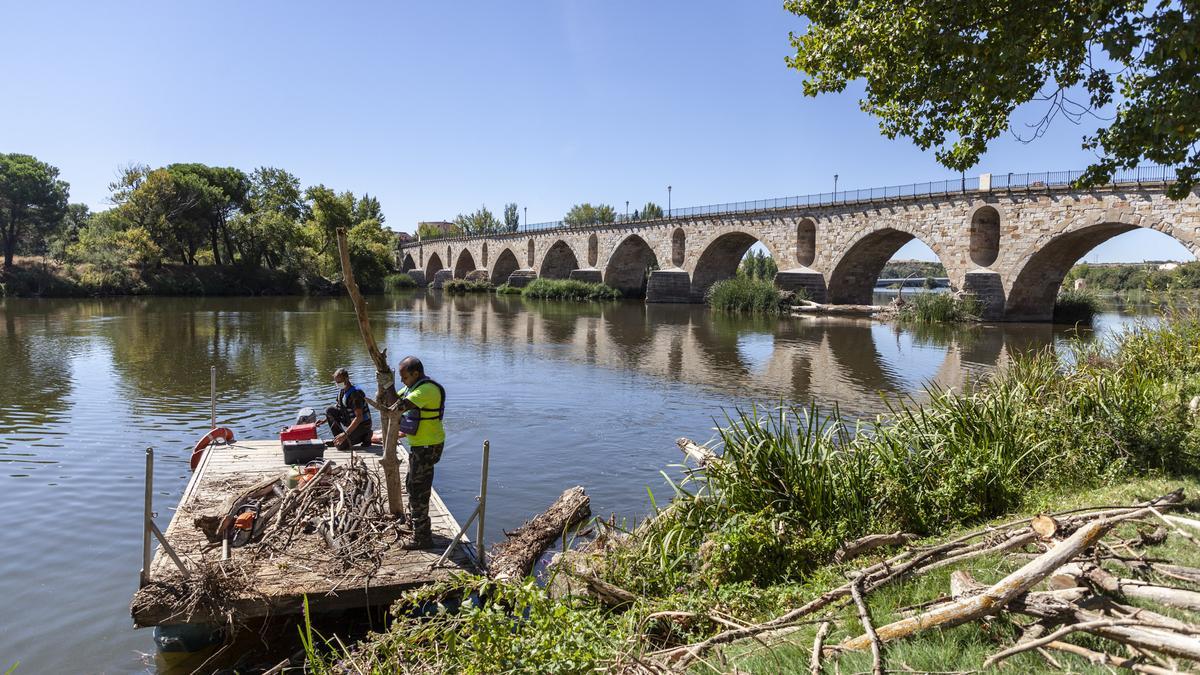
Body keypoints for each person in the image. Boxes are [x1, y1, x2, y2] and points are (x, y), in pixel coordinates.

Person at [395, 355, 445, 549]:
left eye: (404, 377)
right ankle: (418, 527)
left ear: (416, 373)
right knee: (412, 485)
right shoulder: (412, 387)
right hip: (420, 446)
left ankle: (422, 538)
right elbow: (391, 398)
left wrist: (389, 388)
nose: (402, 382)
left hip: (428, 447)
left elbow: (398, 406)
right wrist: (385, 387)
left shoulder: (426, 390)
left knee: (418, 491)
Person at [319, 367, 372, 449]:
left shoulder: (356, 394)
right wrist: (324, 420)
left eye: (339, 382)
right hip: (350, 421)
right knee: (329, 411)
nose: (337, 384)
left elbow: (359, 417)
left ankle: (366, 435)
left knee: (341, 447)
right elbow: (338, 407)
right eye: (336, 382)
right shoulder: (342, 391)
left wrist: (345, 434)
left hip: (362, 425)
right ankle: (338, 438)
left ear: (347, 379)